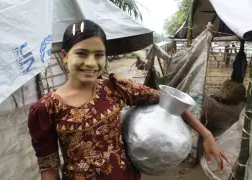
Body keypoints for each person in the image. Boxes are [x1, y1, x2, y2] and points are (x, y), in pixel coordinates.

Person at [28, 20, 229, 180]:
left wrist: (206, 134)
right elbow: (49, 168)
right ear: (64, 56)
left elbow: (170, 101)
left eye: (99, 55)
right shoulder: (46, 109)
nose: (91, 63)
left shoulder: (115, 87)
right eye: (81, 53)